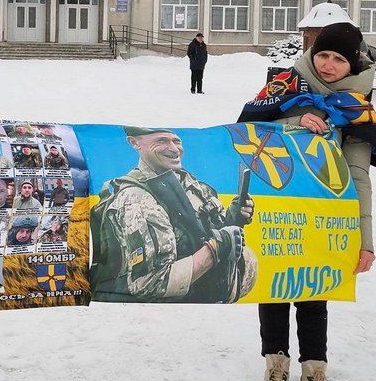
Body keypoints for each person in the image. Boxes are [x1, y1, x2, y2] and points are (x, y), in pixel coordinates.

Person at [243, 22, 375, 381]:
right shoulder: (283, 86)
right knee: (276, 287)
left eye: (339, 58)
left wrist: (364, 240)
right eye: (323, 55)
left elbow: (359, 176)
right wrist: (292, 124)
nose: (329, 64)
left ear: (352, 63)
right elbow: (245, 132)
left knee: (314, 291)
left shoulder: (357, 108)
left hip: (324, 216)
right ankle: (276, 365)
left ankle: (314, 371)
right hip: (276, 207)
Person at [89, 126, 256, 303]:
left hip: (206, 306)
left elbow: (203, 236)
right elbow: (150, 283)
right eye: (161, 141)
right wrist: (215, 249)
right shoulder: (136, 198)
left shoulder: (193, 185)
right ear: (134, 142)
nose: (174, 149)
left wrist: (233, 219)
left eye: (176, 141)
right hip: (163, 316)